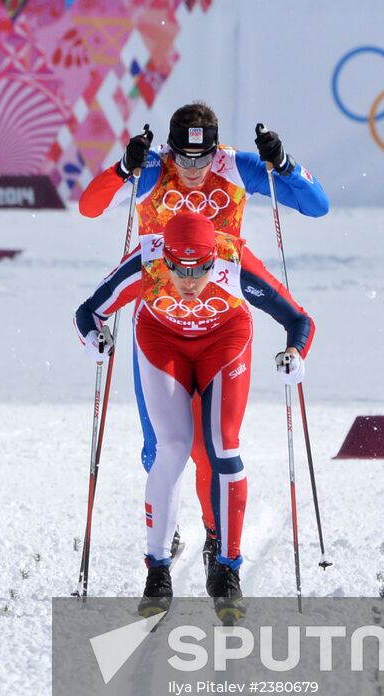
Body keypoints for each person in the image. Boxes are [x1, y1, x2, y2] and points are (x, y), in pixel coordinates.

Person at [78, 101, 328, 566]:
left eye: (203, 158)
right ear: (170, 150)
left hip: (222, 311)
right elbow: (89, 207)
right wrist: (122, 168)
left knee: (209, 445)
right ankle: (166, 532)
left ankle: (215, 533)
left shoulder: (235, 167)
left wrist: (284, 162)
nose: (194, 170)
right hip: (160, 309)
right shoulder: (152, 170)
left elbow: (318, 206)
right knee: (161, 445)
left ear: (215, 149)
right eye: (184, 158)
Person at [73, 212, 315, 620]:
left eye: (201, 269)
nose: (189, 280)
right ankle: (158, 570)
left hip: (224, 340)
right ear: (163, 257)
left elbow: (298, 319)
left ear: (213, 259)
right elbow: (88, 311)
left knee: (222, 446)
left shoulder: (234, 260)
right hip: (161, 339)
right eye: (179, 269)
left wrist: (295, 353)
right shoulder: (146, 261)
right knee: (172, 447)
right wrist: (93, 338)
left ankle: (226, 568)